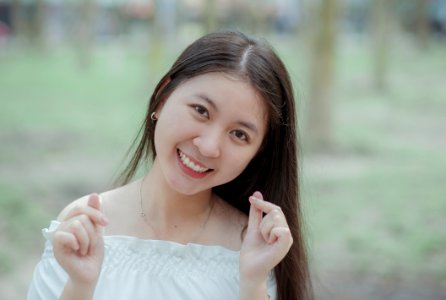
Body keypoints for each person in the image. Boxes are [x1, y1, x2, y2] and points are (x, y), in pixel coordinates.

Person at [27, 31, 312, 300]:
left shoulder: (254, 248)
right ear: (164, 97)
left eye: (239, 134)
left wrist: (252, 284)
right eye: (201, 111)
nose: (209, 146)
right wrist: (80, 286)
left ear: (258, 151)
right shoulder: (84, 226)